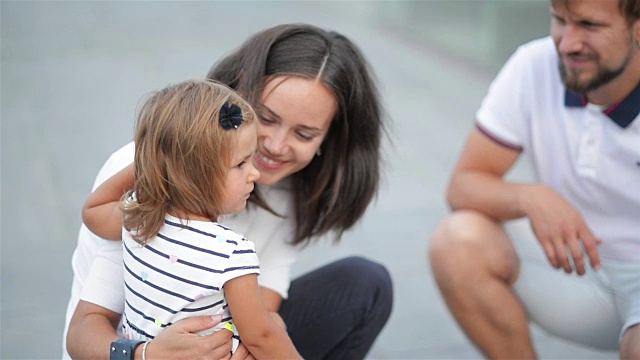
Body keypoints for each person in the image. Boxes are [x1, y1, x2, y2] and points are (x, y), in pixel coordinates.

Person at [63, 23, 393, 360]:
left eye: (304, 134)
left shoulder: (291, 188)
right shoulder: (147, 181)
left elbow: (263, 308)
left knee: (364, 284)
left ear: (329, 140)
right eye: (265, 117)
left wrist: (250, 339)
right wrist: (143, 354)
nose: (275, 147)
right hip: (129, 349)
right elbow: (82, 330)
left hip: (221, 338)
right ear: (237, 94)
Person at [428, 0, 640, 358]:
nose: (567, 43)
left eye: (589, 25)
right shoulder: (534, 65)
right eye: (559, 20)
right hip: (574, 272)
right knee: (457, 240)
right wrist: (529, 197)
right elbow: (463, 184)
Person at [81, 79, 301, 359]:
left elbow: (94, 210)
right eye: (240, 164)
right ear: (196, 172)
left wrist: (158, 157)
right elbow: (260, 335)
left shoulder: (140, 218)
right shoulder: (231, 251)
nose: (254, 173)